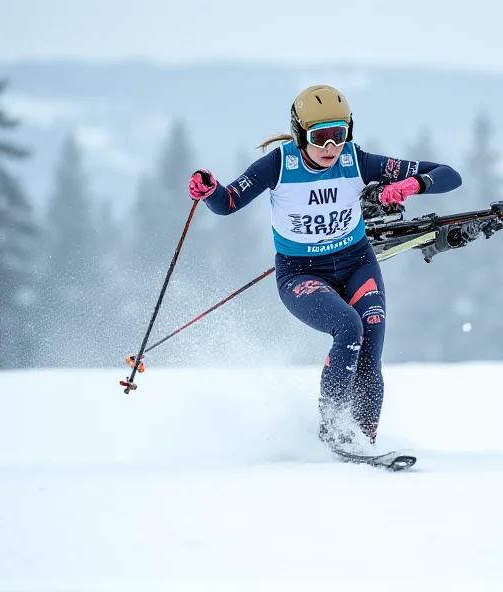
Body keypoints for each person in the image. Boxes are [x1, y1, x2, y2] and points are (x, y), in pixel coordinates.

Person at [187, 84, 462, 453]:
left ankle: (363, 444)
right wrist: (209, 190)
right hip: (300, 274)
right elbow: (228, 203)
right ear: (301, 135)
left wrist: (414, 184)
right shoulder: (279, 164)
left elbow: (449, 174)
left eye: (339, 134)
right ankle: (333, 428)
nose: (331, 147)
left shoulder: (356, 160)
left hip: (356, 263)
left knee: (371, 340)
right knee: (348, 326)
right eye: (320, 137)